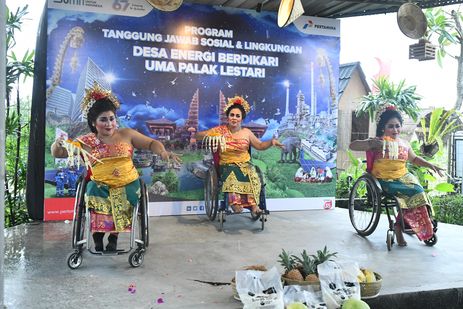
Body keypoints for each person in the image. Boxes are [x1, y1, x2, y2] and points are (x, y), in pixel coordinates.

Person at [51, 82, 181, 252]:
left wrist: (163, 153)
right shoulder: (86, 142)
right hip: (100, 185)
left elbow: (151, 143)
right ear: (94, 122)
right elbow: (59, 153)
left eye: (112, 119)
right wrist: (57, 143)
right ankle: (97, 236)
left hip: (128, 183)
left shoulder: (127, 134)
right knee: (92, 190)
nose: (109, 124)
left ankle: (114, 236)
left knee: (125, 194)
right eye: (103, 120)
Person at [349, 106, 443, 246]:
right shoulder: (377, 142)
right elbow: (353, 146)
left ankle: (401, 226)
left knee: (420, 193)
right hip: (384, 179)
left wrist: (431, 165)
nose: (395, 130)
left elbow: (415, 159)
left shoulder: (404, 144)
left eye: (397, 126)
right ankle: (399, 229)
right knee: (412, 193)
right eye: (391, 126)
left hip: (403, 176)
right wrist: (370, 143)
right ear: (383, 127)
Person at [195, 95, 284, 214]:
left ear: (242, 118)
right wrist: (213, 136)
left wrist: (272, 142)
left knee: (253, 175)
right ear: (227, 117)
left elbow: (260, 146)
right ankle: (235, 204)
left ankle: (253, 207)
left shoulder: (247, 133)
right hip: (227, 165)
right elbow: (198, 135)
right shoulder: (219, 130)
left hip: (245, 164)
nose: (234, 118)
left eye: (238, 116)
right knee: (232, 175)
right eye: (232, 115)